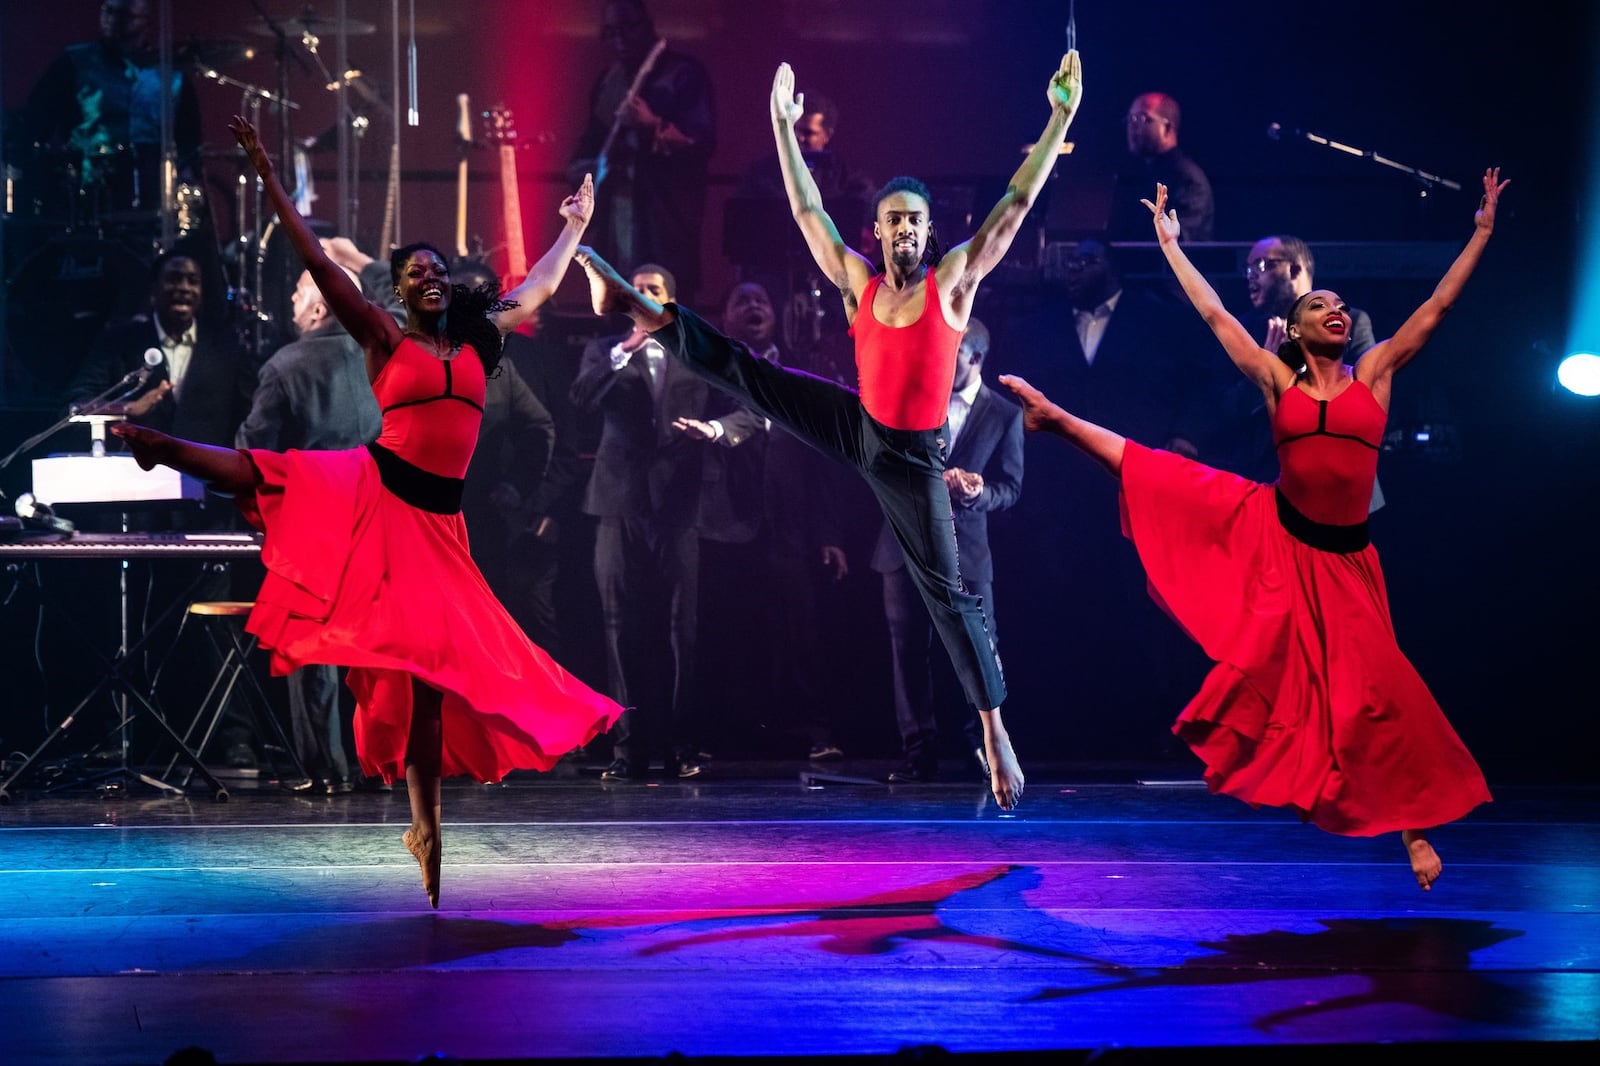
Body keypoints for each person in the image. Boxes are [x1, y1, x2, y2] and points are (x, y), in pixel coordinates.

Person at [110, 115, 621, 910]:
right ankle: (157, 444)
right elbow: (319, 259)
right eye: (413, 270)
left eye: (437, 269)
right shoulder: (384, 339)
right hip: (376, 492)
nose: (428, 277)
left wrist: (577, 227)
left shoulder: (480, 342)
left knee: (430, 680)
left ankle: (424, 824)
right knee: (267, 471)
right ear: (397, 288)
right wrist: (272, 181)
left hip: (440, 530)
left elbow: (543, 288)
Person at [569, 52, 1084, 812]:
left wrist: (1061, 116)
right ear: (875, 232)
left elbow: (1014, 201)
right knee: (751, 374)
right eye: (893, 221)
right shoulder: (856, 282)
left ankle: (993, 728)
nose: (904, 231)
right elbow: (808, 212)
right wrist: (780, 126)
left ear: (929, 230)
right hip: (859, 425)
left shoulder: (956, 282)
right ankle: (641, 310)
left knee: (950, 595)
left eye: (915, 221)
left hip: (912, 457)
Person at [996, 170, 1508, 889]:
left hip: (1347, 560)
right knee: (1160, 476)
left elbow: (1441, 304)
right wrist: (1171, 247)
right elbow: (1213, 316)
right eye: (1320, 307)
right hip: (1276, 532)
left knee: (1382, 692)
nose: (1335, 311)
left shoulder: (1377, 375)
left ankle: (1412, 828)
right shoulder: (1277, 380)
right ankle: (1056, 418)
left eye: (1338, 305)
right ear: (1296, 330)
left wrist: (1481, 231)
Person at [570, 263, 764, 782]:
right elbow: (580, 400)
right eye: (637, 290)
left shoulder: (696, 355)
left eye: (654, 291)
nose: (644, 296)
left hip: (680, 507)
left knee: (683, 630)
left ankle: (682, 745)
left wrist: (715, 429)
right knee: (618, 628)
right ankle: (628, 749)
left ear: (670, 304)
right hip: (619, 505)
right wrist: (624, 350)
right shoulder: (606, 351)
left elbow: (750, 410)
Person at [234, 265, 382, 795]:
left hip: (314, 517)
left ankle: (327, 770)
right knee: (377, 647)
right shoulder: (385, 356)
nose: (292, 303)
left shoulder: (287, 365)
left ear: (319, 308)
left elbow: (253, 451)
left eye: (298, 294)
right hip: (378, 513)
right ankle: (380, 765)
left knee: (313, 646)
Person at [695, 280, 852, 761]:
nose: (754, 306)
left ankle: (818, 733)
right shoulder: (709, 373)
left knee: (801, 632)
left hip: (790, 528)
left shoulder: (798, 376)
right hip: (726, 525)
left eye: (762, 299)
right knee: (729, 633)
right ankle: (721, 736)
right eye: (741, 300)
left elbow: (819, 462)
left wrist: (829, 534)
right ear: (725, 318)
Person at [871, 317, 1022, 784]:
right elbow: (881, 463)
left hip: (967, 547)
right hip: (905, 540)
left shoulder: (1003, 414)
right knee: (907, 648)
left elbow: (1011, 487)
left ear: (974, 358)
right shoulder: (914, 399)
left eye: (950, 353)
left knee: (979, 645)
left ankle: (982, 745)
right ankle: (918, 750)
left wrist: (978, 493)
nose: (937, 360)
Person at [568, 0, 716, 302]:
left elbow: (701, 142)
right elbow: (591, 143)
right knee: (616, 296)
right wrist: (588, 168)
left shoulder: (683, 74)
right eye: (611, 32)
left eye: (627, 29)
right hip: (618, 213)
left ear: (646, 25)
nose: (619, 40)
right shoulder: (609, 80)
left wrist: (652, 125)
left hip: (664, 217)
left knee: (667, 303)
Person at [23, 0, 203, 220]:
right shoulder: (75, 63)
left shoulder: (170, 74)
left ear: (145, 21)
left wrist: (187, 179)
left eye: (124, 15)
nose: (112, 20)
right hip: (87, 187)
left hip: (156, 191)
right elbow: (35, 121)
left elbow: (190, 141)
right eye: (108, 11)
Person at [1108, 92, 1213, 243]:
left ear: (1168, 128)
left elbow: (1181, 240)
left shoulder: (1188, 178)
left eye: (1142, 118)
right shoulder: (1138, 175)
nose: (1133, 126)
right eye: (1130, 119)